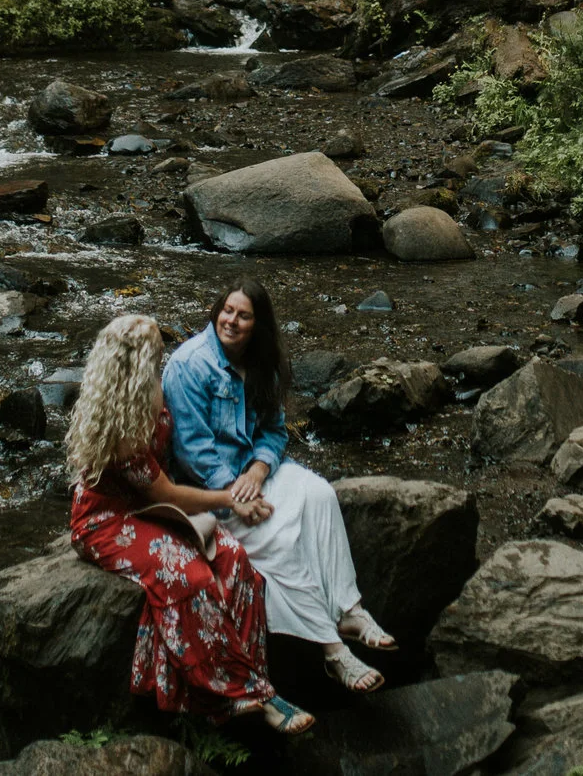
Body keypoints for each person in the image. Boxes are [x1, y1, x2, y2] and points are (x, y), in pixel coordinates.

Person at [65, 312, 315, 734]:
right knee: (190, 577)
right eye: (157, 356)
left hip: (151, 510)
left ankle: (250, 685)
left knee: (236, 561)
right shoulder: (119, 422)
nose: (165, 361)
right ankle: (233, 694)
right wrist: (231, 499)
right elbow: (164, 493)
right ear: (138, 365)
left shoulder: (152, 392)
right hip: (108, 519)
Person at [164, 279, 397, 693]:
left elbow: (274, 432)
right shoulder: (189, 365)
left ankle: (350, 608)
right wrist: (236, 494)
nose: (231, 321)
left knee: (320, 493)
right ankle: (332, 650)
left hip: (254, 474)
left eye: (244, 315)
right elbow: (192, 452)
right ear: (216, 311)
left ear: (259, 324)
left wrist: (257, 470)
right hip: (212, 491)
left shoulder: (263, 364)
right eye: (227, 311)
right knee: (279, 539)